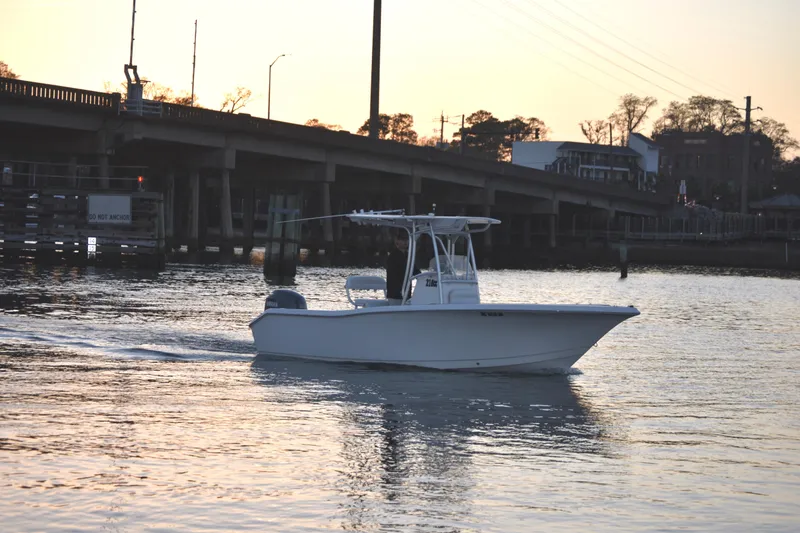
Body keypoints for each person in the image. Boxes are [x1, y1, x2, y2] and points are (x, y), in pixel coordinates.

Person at [386, 230, 419, 304]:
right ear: (397, 241)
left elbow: (415, 270)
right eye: (403, 239)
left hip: (406, 293)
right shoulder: (393, 256)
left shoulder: (409, 255)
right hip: (395, 295)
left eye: (407, 240)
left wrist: (423, 278)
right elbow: (394, 275)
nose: (405, 242)